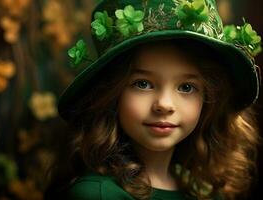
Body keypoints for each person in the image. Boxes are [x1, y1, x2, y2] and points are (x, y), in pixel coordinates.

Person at [44, 0, 262, 199]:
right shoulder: (97, 195)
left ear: (208, 99)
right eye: (143, 84)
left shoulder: (206, 191)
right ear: (111, 93)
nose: (164, 105)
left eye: (186, 87)